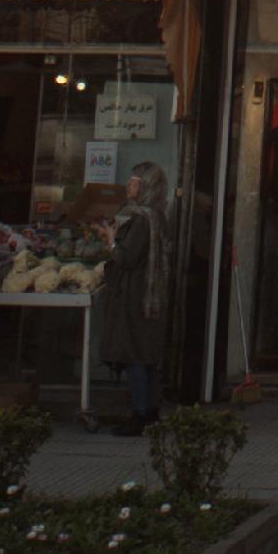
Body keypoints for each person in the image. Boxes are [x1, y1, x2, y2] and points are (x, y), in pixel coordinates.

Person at [97, 161, 171, 437]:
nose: (129, 186)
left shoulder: (141, 220)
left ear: (147, 187)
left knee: (134, 355)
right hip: (150, 296)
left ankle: (140, 414)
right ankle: (150, 411)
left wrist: (111, 241)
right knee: (146, 356)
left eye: (135, 182)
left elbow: (127, 258)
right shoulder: (157, 217)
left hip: (134, 295)